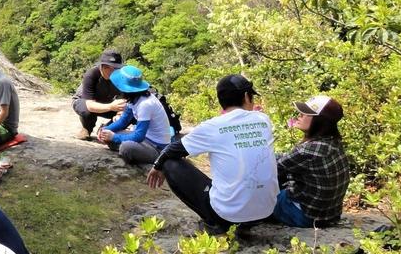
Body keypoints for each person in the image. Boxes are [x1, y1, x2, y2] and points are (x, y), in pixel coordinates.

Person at [147, 74, 278, 234]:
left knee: (170, 164)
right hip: (265, 212)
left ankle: (214, 223)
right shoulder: (264, 120)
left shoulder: (213, 126)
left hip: (227, 215)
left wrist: (157, 165)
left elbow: (172, 150)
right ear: (246, 96)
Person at [270, 95, 350, 228]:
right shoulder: (333, 142)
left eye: (306, 113)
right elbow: (288, 159)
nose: (300, 115)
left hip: (306, 216)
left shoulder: (308, 150)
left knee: (260, 194)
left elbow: (272, 169)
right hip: (330, 215)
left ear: (320, 121)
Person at [96, 65, 172, 165]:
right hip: (145, 139)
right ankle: (131, 151)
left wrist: (114, 137)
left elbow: (139, 136)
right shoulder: (133, 99)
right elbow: (123, 121)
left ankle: (136, 155)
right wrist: (106, 130)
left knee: (125, 147)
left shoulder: (145, 104)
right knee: (109, 135)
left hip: (156, 148)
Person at [73, 49, 128, 140]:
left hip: (110, 104)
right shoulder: (92, 75)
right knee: (86, 111)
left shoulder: (123, 77)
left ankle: (107, 129)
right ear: (100, 66)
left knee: (131, 114)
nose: (111, 71)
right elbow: (90, 105)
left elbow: (124, 99)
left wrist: (119, 114)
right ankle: (87, 128)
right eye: (107, 67)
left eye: (115, 68)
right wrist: (111, 106)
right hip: (87, 102)